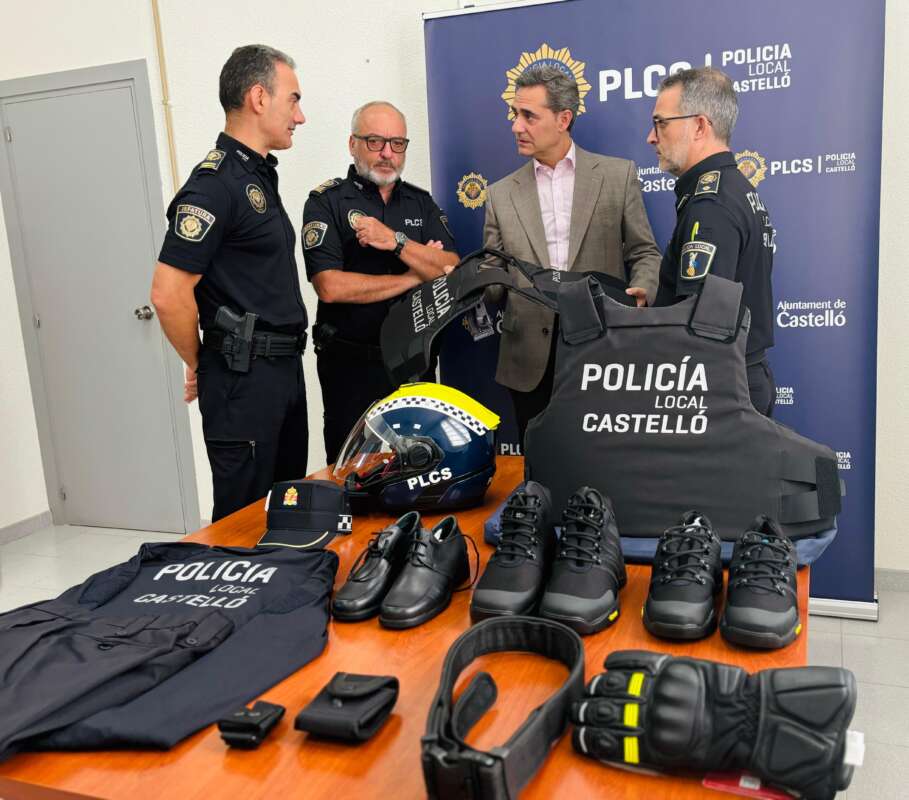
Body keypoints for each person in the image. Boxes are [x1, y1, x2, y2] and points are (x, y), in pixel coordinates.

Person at [150, 44, 309, 522]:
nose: (300, 116)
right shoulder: (214, 185)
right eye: (293, 100)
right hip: (244, 379)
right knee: (244, 523)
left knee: (284, 515)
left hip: (280, 371)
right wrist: (203, 361)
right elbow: (167, 294)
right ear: (259, 97)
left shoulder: (255, 176)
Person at [483, 65, 661, 445]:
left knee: (604, 461)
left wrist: (643, 291)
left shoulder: (617, 176)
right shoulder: (500, 194)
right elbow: (493, 279)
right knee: (540, 463)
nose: (516, 126)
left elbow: (645, 251)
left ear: (563, 119)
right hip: (529, 361)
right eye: (515, 114)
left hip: (603, 349)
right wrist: (471, 280)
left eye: (528, 115)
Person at [302, 101, 459, 464]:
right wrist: (414, 274)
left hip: (414, 363)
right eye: (375, 141)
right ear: (352, 144)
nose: (387, 153)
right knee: (351, 469)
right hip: (351, 365)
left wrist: (396, 242)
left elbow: (451, 266)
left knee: (421, 465)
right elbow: (330, 287)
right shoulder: (327, 203)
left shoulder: (420, 203)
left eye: (397, 143)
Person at [648, 67, 777, 415]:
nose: (651, 137)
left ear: (699, 126)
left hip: (716, 390)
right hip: (737, 380)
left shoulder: (711, 205)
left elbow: (700, 325)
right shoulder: (736, 188)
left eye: (661, 124)